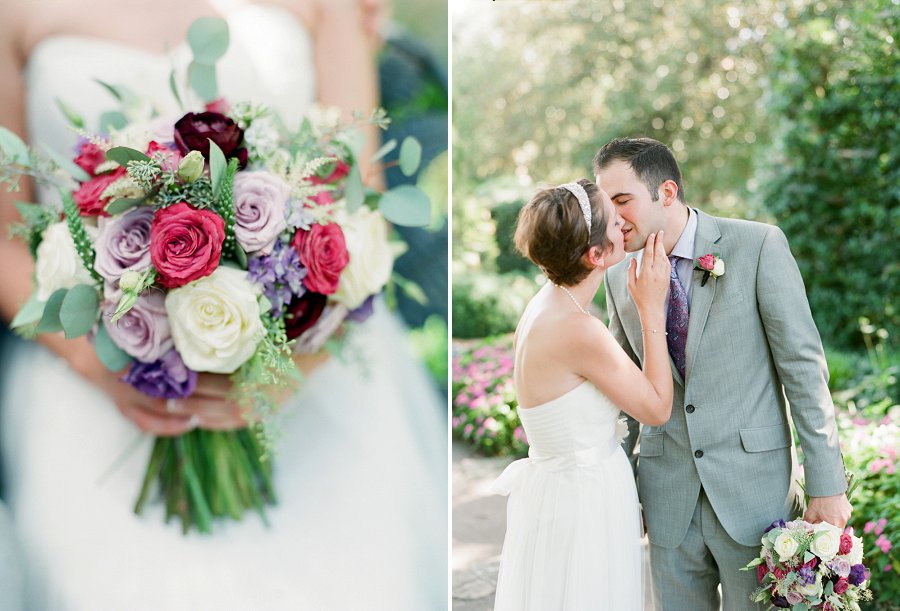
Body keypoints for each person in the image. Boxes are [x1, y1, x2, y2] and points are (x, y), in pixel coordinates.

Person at [0, 1, 446, 608]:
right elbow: (4, 240)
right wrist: (104, 367)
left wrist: (288, 362)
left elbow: (357, 203)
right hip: (89, 370)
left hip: (310, 369)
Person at [596, 137, 851, 610]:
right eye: (603, 203)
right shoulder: (616, 277)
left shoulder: (757, 246)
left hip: (754, 499)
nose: (610, 217)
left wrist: (827, 483)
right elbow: (625, 394)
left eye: (621, 200)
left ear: (666, 192)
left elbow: (803, 368)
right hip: (666, 500)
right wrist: (625, 490)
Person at [491, 178, 672, 610]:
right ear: (596, 255)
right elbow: (657, 407)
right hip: (584, 500)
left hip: (557, 491)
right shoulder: (578, 330)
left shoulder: (546, 303)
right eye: (614, 221)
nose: (623, 222)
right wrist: (651, 308)